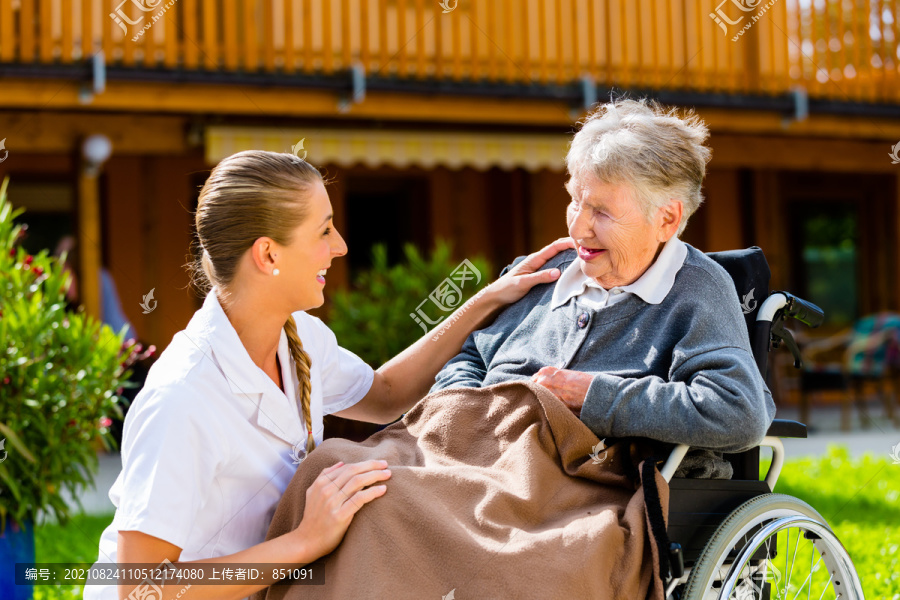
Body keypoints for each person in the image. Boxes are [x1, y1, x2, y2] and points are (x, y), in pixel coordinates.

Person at [84, 150, 574, 600]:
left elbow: (384, 395)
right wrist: (304, 543)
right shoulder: (182, 398)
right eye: (323, 231)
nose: (340, 247)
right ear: (268, 255)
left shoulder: (299, 335)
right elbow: (139, 591)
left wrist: (486, 300)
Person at [431, 98, 775, 478]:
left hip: (580, 494)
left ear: (667, 218)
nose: (578, 228)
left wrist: (593, 396)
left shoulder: (697, 291)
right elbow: (469, 359)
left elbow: (738, 413)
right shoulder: (541, 272)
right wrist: (463, 413)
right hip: (473, 463)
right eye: (575, 201)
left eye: (602, 212)